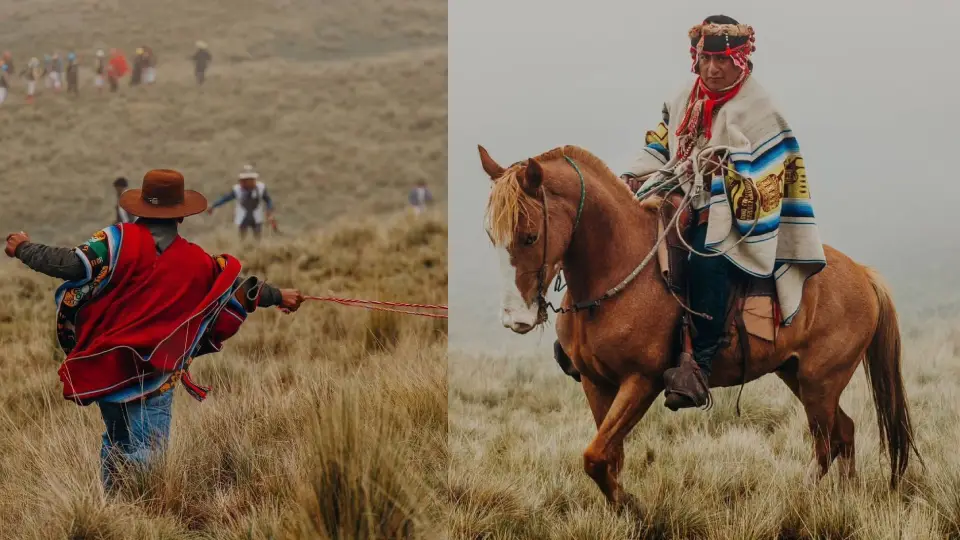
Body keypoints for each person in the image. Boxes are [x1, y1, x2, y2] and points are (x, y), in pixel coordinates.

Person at [3, 169, 305, 492]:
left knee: (116, 442)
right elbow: (235, 290)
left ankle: (113, 510)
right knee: (152, 458)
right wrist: (278, 295)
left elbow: (68, 263)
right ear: (181, 217)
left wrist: (23, 248)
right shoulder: (197, 263)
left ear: (140, 209)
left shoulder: (114, 242)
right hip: (156, 376)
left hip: (108, 368)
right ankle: (139, 512)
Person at [619, 15, 826, 410]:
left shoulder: (761, 108)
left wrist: (727, 175)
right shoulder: (684, 97)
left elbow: (773, 174)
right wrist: (632, 173)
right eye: (705, 60)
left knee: (706, 256)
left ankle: (701, 361)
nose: (712, 69)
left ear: (741, 60)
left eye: (722, 60)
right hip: (679, 193)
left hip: (731, 214)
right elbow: (662, 143)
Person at [207, 165, 275, 240]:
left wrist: (269, 211)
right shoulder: (237, 190)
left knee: (257, 237)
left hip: (257, 215)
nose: (242, 182)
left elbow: (268, 200)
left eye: (246, 180)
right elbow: (225, 199)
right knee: (242, 237)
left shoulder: (261, 188)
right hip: (243, 216)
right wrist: (213, 206)